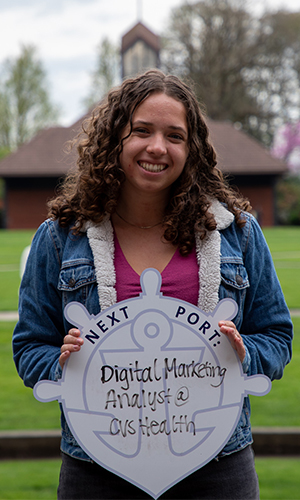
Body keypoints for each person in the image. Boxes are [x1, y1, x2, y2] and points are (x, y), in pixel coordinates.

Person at [13, 69, 293, 500]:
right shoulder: (59, 238)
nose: (157, 147)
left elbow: (277, 336)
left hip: (217, 467)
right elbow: (30, 347)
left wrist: (244, 354)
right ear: (114, 139)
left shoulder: (237, 232)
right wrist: (65, 366)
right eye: (141, 130)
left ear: (192, 148)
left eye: (175, 136)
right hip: (97, 468)